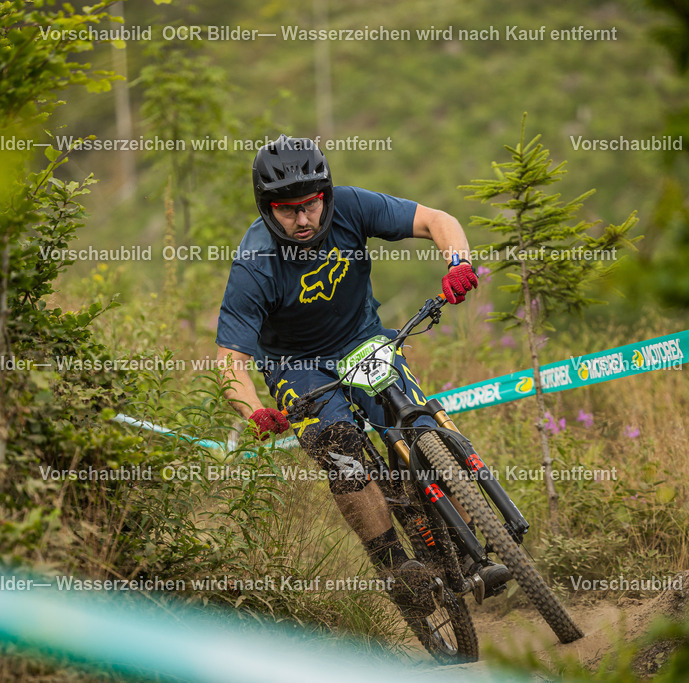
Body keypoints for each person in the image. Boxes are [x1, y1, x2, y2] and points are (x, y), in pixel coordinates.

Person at [215, 134, 506, 618]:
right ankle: (394, 567)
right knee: (341, 450)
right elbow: (229, 362)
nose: (304, 219)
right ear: (268, 208)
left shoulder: (349, 205)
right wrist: (256, 413)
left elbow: (438, 220)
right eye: (288, 210)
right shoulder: (255, 263)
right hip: (297, 365)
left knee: (418, 428)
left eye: (310, 205)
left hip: (362, 339)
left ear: (325, 194)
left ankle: (464, 548)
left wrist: (458, 261)